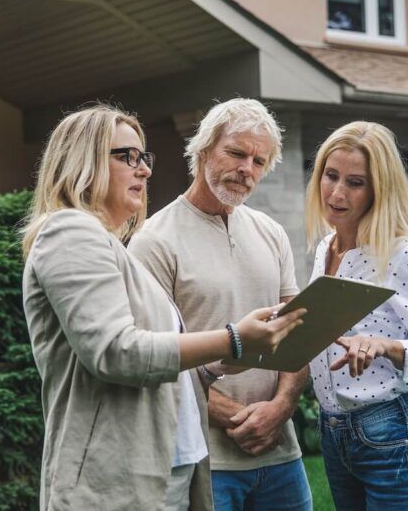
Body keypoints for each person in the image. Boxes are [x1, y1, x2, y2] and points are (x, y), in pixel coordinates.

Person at [20, 104, 305, 511]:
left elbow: (161, 357)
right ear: (83, 161)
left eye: (144, 158)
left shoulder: (104, 243)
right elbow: (116, 353)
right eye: (127, 156)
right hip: (118, 480)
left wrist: (214, 366)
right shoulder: (70, 232)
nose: (144, 170)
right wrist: (232, 341)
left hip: (172, 472)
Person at [128, 98, 313, 511]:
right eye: (236, 152)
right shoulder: (154, 241)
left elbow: (297, 330)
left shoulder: (272, 232)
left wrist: (281, 408)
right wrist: (239, 419)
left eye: (259, 161)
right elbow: (155, 356)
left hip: (281, 452)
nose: (247, 169)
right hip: (207, 458)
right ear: (203, 149)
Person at [304, 121, 408, 511]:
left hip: (393, 432)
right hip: (333, 432)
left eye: (356, 183)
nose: (337, 193)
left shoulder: (404, 253)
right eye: (331, 176)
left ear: (379, 189)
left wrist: (387, 346)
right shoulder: (326, 247)